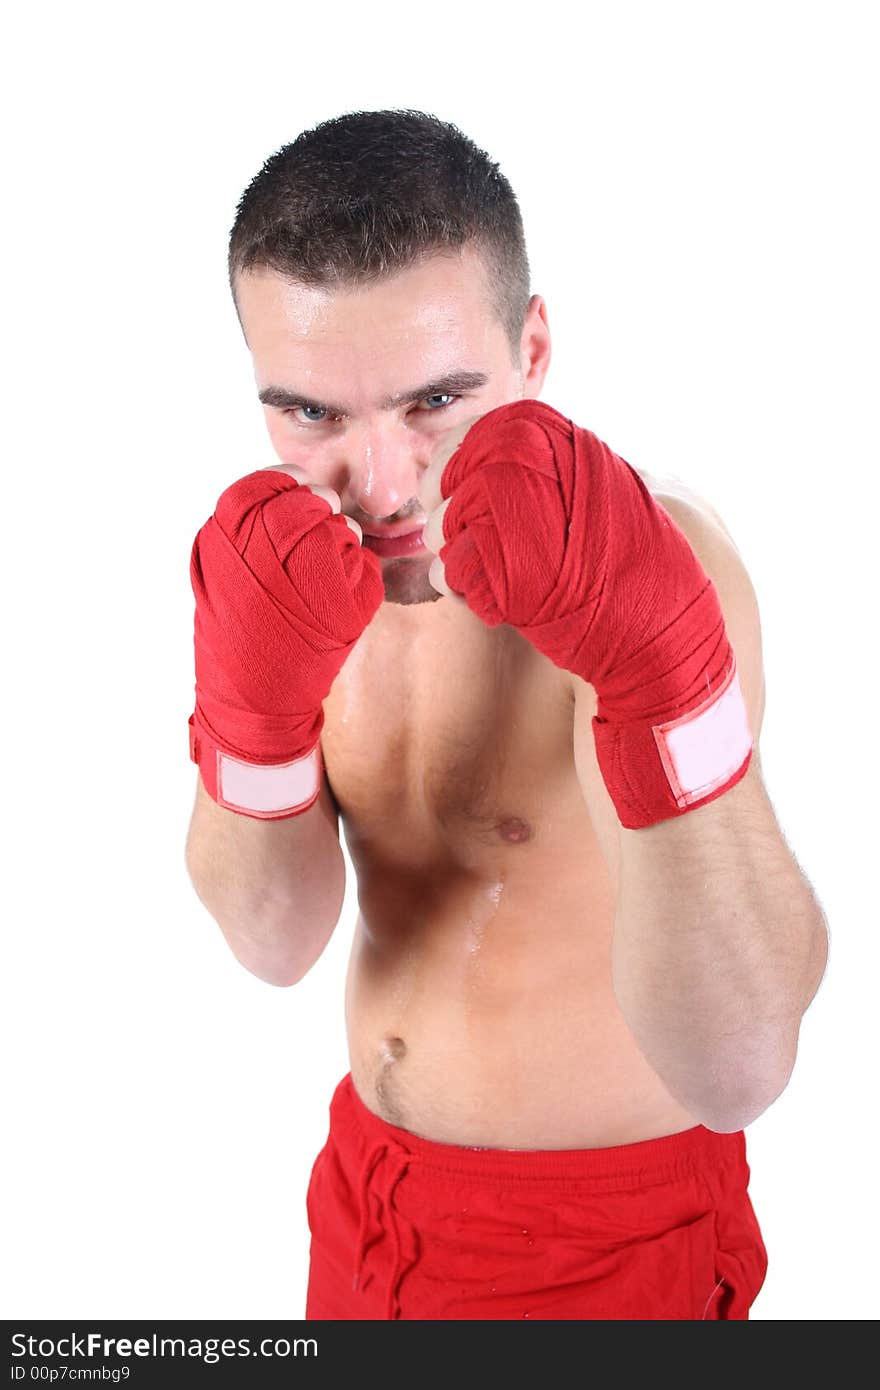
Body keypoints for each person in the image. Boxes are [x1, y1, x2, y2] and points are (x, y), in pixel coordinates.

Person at [184, 109, 829, 1320]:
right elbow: (272, 942)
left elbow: (742, 1064)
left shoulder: (651, 561)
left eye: (434, 399)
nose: (382, 488)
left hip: (601, 1243)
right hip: (366, 1194)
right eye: (310, 412)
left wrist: (663, 676)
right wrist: (247, 719)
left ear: (532, 348)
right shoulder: (290, 565)